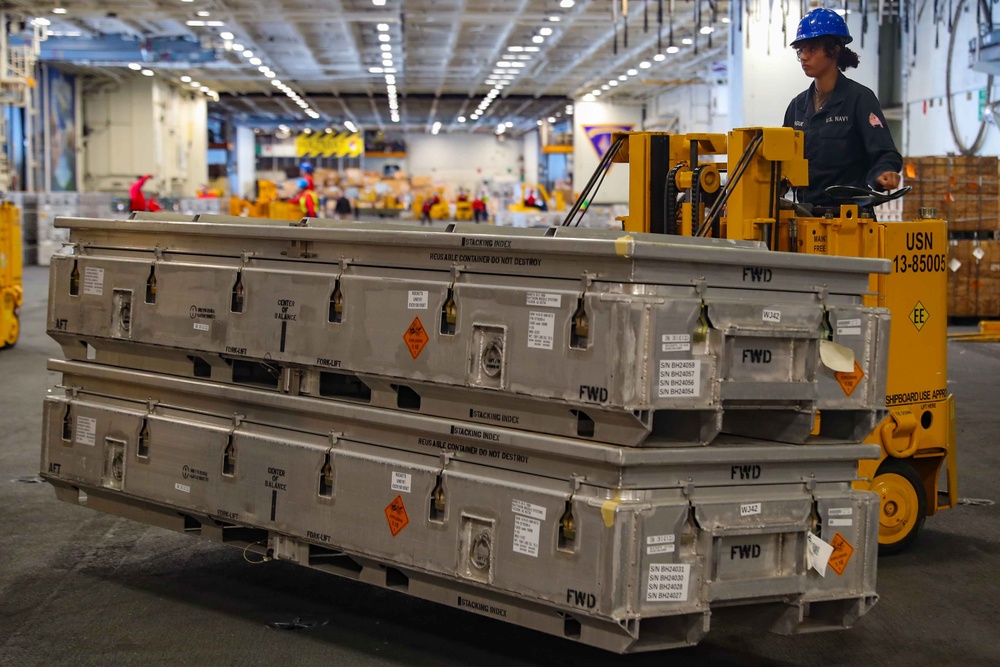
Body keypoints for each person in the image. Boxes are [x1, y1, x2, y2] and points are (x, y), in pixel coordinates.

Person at [783, 8, 901, 209]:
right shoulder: (797, 106)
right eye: (800, 50)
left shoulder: (859, 99)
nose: (803, 56)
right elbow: (783, 162)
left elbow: (884, 153)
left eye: (811, 49)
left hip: (850, 222)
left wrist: (883, 173)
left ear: (834, 50)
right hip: (805, 219)